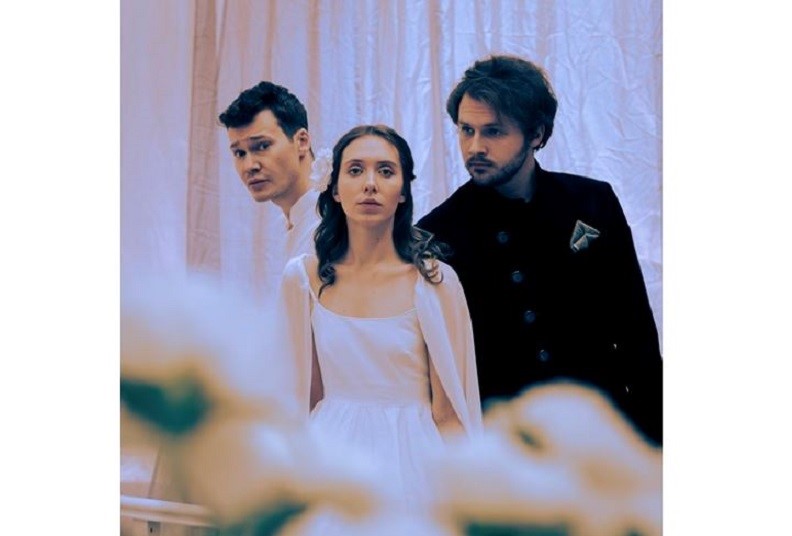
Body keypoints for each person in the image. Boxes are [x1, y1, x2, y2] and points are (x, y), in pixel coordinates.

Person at [417, 55, 663, 446]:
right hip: (505, 450)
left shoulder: (593, 202)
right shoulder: (436, 233)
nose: (474, 147)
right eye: (466, 130)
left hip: (603, 435)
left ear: (536, 133)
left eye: (493, 132)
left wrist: (655, 444)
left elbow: (636, 330)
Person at [278, 124, 483, 521]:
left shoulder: (435, 281)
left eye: (386, 171)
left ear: (403, 190)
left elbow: (448, 412)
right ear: (335, 189)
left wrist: (478, 503)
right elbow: (303, 398)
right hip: (330, 460)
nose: (370, 184)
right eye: (355, 170)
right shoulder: (302, 279)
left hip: (417, 461)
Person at [219, 81, 321, 263]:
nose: (249, 166)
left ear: (302, 142)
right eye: (239, 153)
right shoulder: (287, 222)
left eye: (262, 146)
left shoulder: (335, 223)